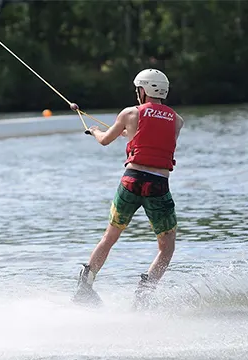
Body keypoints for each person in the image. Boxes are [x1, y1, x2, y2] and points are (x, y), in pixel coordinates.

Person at [72, 69, 184, 309]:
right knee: (167, 247)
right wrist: (129, 133)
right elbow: (153, 137)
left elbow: (104, 140)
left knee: (110, 237)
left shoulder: (130, 113)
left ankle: (85, 287)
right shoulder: (177, 120)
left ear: (143, 90)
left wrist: (93, 130)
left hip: (130, 182)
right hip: (158, 186)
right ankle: (145, 294)